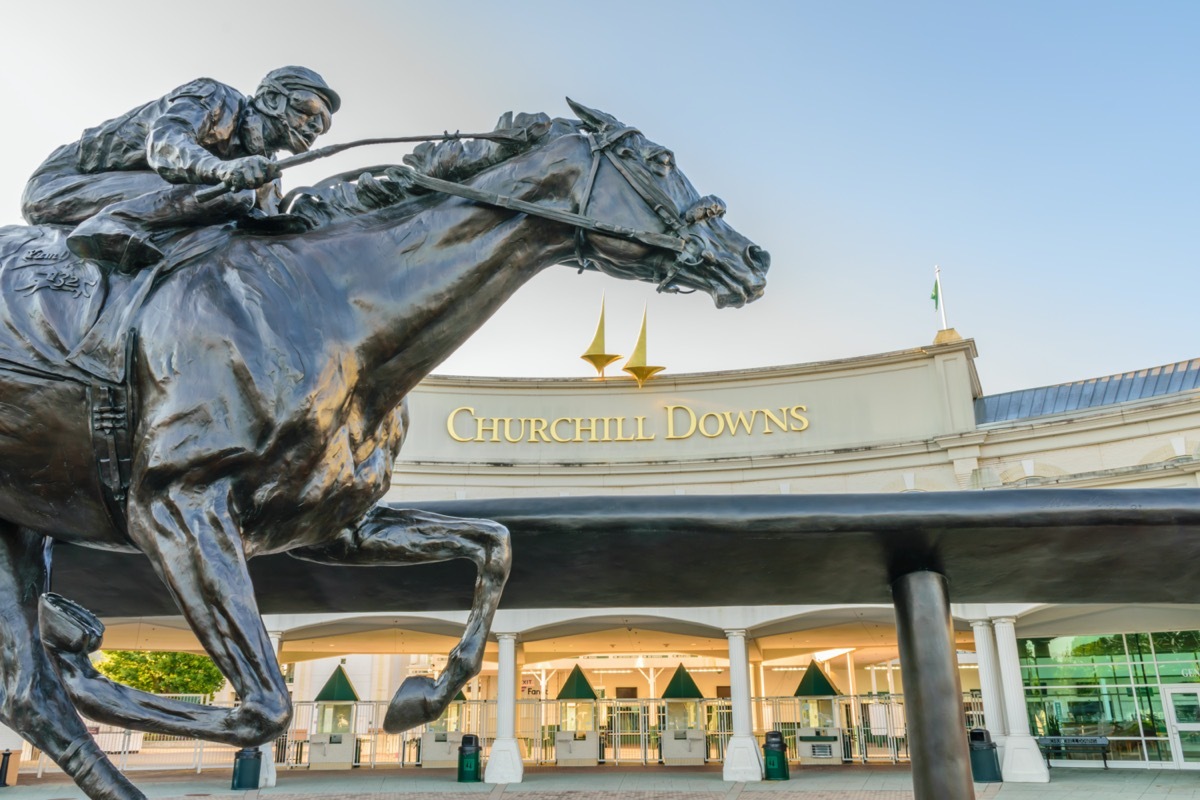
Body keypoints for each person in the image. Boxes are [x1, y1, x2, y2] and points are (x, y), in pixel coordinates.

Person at [21, 66, 340, 270]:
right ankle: (107, 225)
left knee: (238, 204)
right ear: (271, 99)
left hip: (136, 191)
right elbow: (166, 143)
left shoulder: (268, 168)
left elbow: (265, 224)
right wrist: (222, 170)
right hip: (65, 185)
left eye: (322, 126)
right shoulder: (215, 98)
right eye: (308, 111)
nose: (314, 127)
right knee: (234, 196)